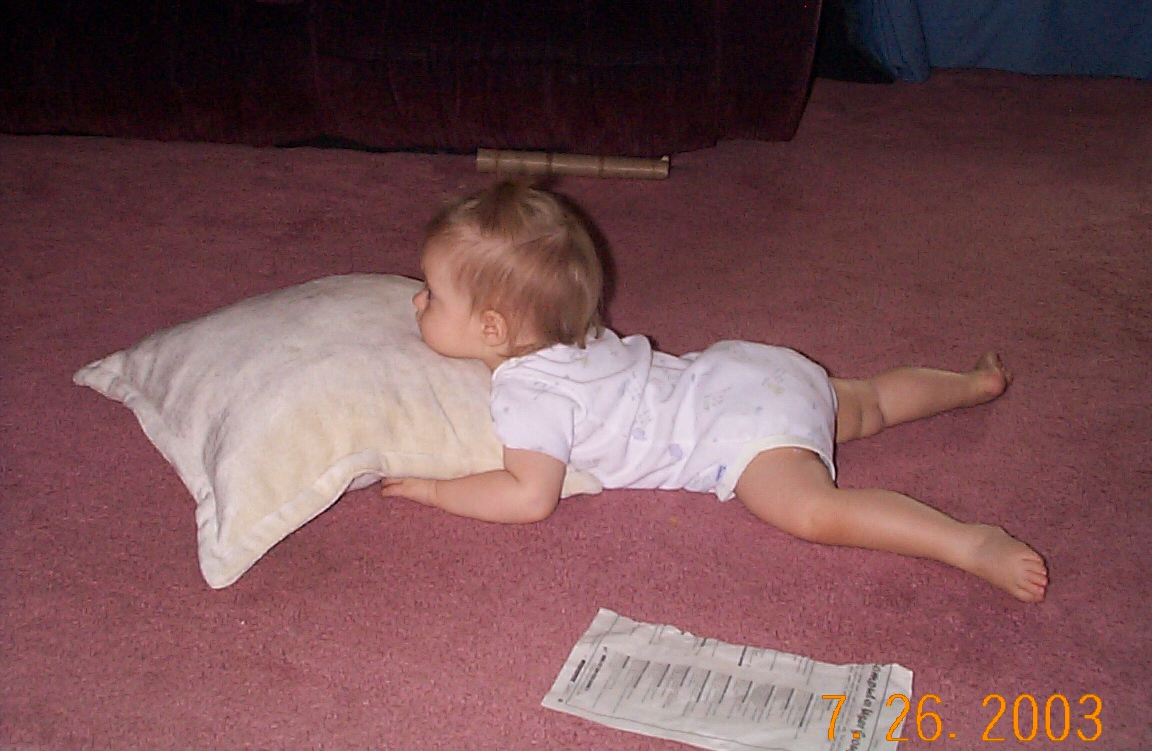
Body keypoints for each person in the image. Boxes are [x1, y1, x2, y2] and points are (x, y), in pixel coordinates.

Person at [381, 181, 1048, 603]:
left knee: (816, 513)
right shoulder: (571, 330)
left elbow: (528, 495)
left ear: (493, 329)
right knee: (868, 403)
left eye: (431, 295)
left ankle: (965, 543)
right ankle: (970, 383)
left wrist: (437, 491)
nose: (416, 302)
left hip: (739, 438)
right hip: (742, 372)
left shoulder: (526, 396)